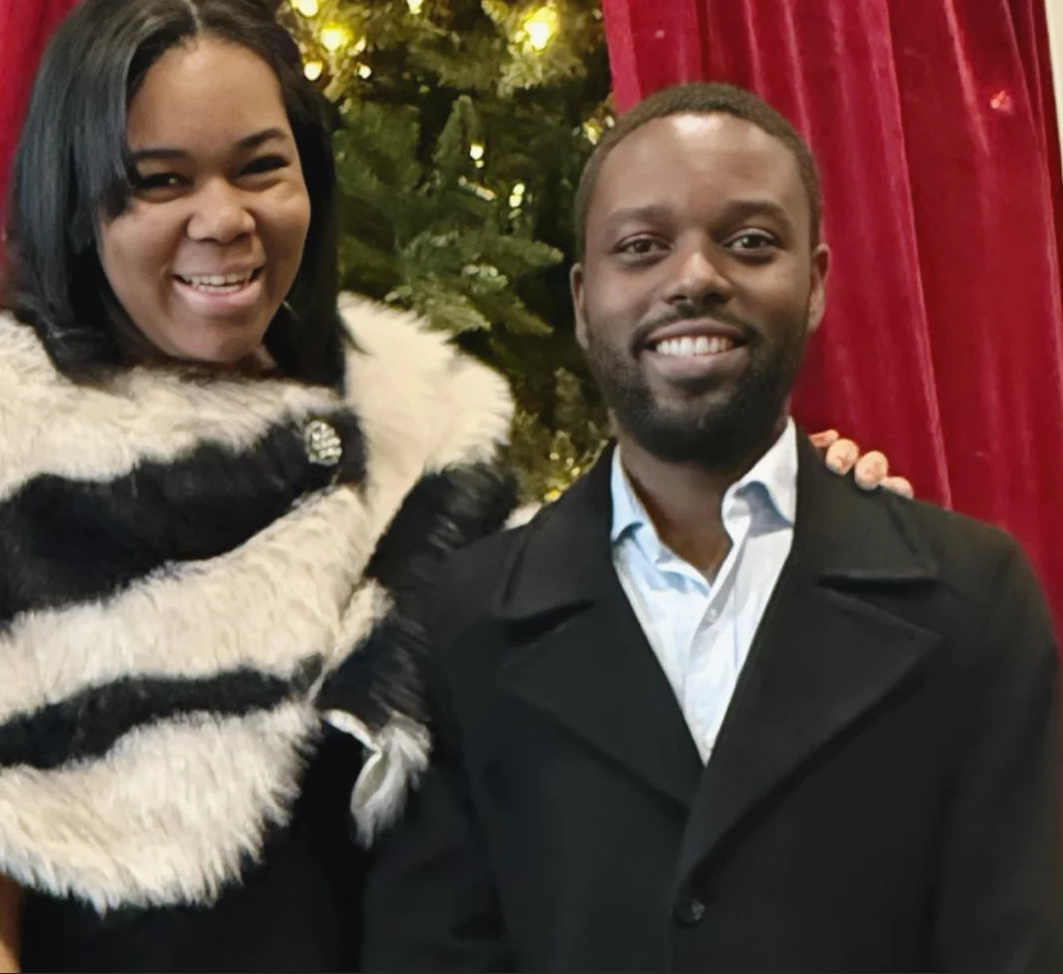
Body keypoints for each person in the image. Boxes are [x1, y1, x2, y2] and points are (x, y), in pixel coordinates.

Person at [0, 0, 899, 974]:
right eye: (158, 181)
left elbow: (583, 655)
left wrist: (796, 519)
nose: (222, 219)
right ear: (79, 203)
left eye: (259, 166)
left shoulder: (417, 420)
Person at [362, 82, 1063, 973]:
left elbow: (1013, 943)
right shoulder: (468, 618)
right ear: (583, 299)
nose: (694, 277)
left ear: (814, 284)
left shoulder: (970, 597)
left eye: (750, 242)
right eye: (642, 247)